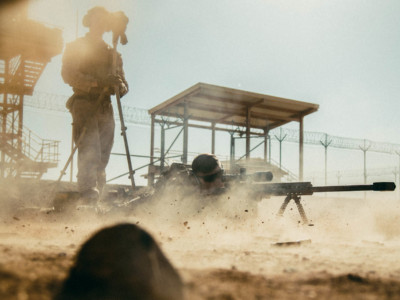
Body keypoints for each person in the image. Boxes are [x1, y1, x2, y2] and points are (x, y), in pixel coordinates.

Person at [61, 6, 129, 205]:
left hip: (105, 107)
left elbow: (125, 86)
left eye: (104, 21)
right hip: (84, 104)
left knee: (103, 156)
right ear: (89, 21)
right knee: (89, 150)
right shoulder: (76, 46)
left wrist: (117, 85)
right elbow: (68, 74)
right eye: (96, 19)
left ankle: (97, 198)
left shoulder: (113, 54)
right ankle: (88, 196)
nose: (100, 24)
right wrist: (97, 84)